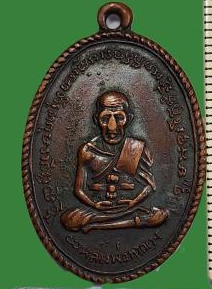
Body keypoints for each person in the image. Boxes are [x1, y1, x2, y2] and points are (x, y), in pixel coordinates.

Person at [60, 91, 169, 233]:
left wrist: (133, 202)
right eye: (105, 118)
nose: (112, 126)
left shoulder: (135, 148)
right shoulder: (87, 150)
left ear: (128, 119)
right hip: (98, 210)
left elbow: (149, 185)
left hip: (130, 208)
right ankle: (126, 222)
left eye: (119, 118)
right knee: (69, 219)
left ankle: (99, 225)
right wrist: (94, 205)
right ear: (96, 120)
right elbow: (78, 190)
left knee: (159, 215)